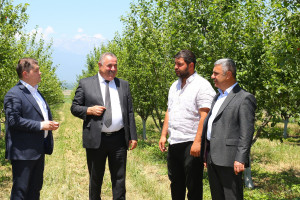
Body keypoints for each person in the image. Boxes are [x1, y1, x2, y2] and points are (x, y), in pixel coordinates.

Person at [71, 52, 137, 200]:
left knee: (119, 178)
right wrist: (88, 110)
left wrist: (133, 135)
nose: (113, 69)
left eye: (115, 66)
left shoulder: (123, 85)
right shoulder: (86, 84)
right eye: (109, 65)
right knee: (95, 179)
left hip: (119, 139)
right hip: (96, 139)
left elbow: (130, 111)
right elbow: (74, 107)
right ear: (100, 65)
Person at [159, 50, 216, 200]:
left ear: (191, 65)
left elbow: (205, 116)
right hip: (175, 141)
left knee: (193, 185)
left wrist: (198, 142)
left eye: (179, 64)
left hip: (191, 143)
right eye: (175, 64)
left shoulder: (202, 85)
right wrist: (164, 135)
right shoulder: (174, 86)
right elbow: (169, 111)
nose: (176, 67)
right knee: (176, 183)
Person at [4, 58, 59, 200]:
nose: (40, 73)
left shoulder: (37, 93)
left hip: (38, 149)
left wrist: (49, 124)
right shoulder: (14, 94)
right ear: (25, 73)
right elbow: (13, 121)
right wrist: (42, 125)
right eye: (37, 70)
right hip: (23, 152)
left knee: (35, 190)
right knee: (20, 192)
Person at [202, 58, 256, 200]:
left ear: (228, 75)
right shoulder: (217, 97)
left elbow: (247, 132)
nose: (212, 76)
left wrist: (240, 159)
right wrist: (206, 153)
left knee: (232, 197)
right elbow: (212, 126)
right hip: (213, 158)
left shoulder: (244, 98)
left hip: (231, 160)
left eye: (216, 73)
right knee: (217, 196)